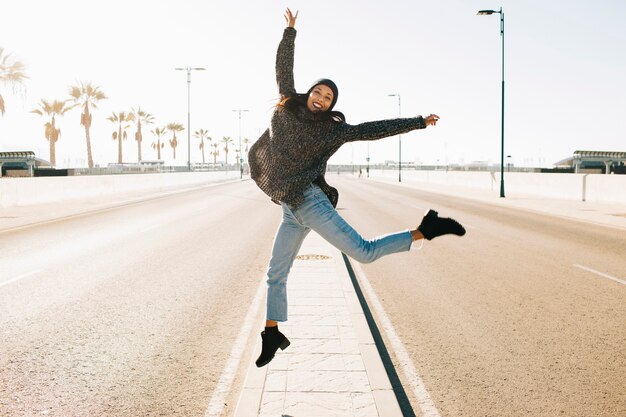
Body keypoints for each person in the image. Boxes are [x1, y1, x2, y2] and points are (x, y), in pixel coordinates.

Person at [248, 8, 466, 368]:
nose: (320, 98)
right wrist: (289, 32)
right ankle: (271, 333)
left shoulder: (332, 131)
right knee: (276, 273)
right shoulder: (286, 105)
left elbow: (372, 129)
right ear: (308, 93)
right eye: (317, 91)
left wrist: (417, 122)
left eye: (328, 97)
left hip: (311, 202)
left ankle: (426, 229)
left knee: (363, 252)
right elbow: (283, 68)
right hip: (290, 207)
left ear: (332, 106)